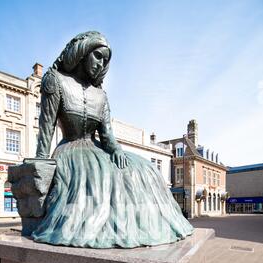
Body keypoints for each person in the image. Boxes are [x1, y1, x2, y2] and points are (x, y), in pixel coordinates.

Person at [32, 31, 193, 248]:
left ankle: (143, 227)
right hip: (70, 149)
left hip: (97, 147)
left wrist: (116, 150)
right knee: (101, 173)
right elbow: (46, 127)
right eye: (97, 56)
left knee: (143, 168)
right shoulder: (55, 80)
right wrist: (41, 164)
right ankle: (91, 227)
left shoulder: (101, 95)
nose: (101, 64)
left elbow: (107, 135)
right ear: (83, 52)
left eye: (105, 60)